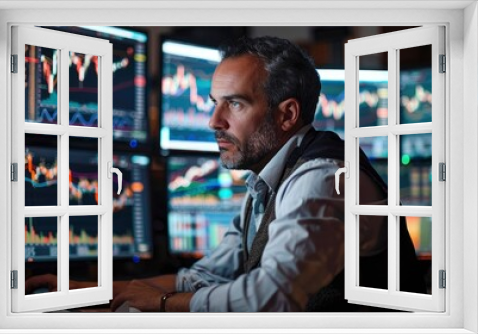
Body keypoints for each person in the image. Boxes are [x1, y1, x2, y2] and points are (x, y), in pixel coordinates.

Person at [27, 36, 426, 312]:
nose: (213, 121)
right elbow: (206, 276)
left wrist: (161, 305)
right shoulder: (268, 183)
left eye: (233, 104)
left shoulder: (320, 179)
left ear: (287, 114)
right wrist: (85, 291)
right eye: (215, 102)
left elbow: (270, 300)